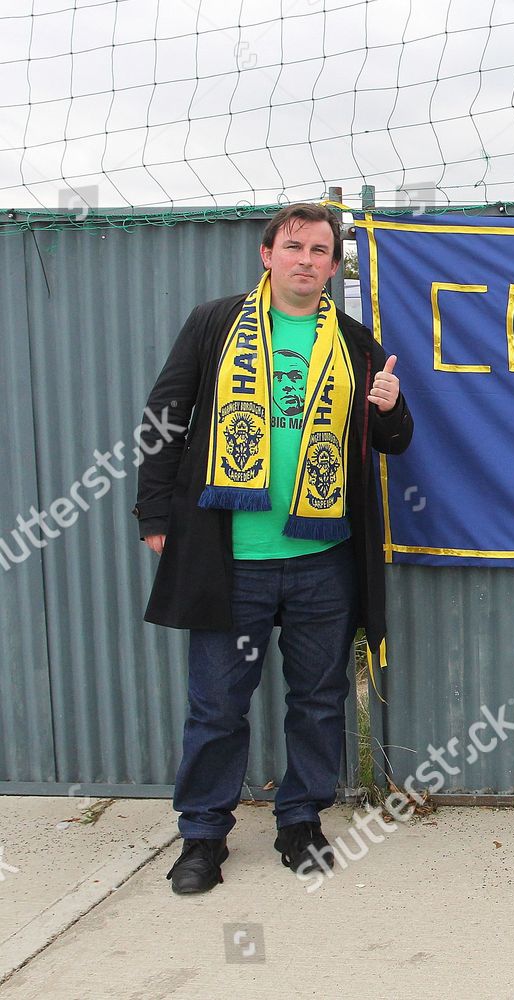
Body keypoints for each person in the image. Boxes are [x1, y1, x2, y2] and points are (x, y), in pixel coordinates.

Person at [133, 203, 414, 894]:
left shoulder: (356, 342)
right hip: (231, 557)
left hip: (324, 559)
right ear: (268, 255)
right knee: (216, 705)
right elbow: (165, 418)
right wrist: (153, 513)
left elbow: (393, 442)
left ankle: (300, 821)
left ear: (334, 266)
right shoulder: (215, 323)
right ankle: (202, 835)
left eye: (322, 251)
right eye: (295, 247)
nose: (308, 261)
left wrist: (389, 406)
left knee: (317, 699)